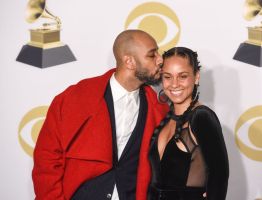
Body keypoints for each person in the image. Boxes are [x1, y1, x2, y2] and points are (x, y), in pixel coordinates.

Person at [32, 29, 169, 200]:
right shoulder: (73, 98)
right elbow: (47, 159)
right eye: (152, 55)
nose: (160, 60)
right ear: (129, 61)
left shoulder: (158, 108)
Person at [147, 47, 229, 200]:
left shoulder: (201, 117)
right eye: (167, 77)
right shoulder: (166, 118)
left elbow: (220, 178)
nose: (174, 84)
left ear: (196, 77)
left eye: (182, 76)